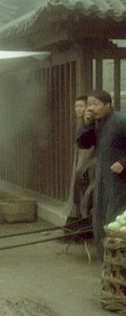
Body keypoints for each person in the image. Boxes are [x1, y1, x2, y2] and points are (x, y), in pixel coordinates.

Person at [77, 89, 126, 259]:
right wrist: (86, 124)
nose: (91, 108)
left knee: (116, 216)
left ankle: (116, 256)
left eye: (96, 104)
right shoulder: (96, 124)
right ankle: (103, 255)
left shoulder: (120, 121)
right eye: (89, 104)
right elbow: (83, 143)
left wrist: (123, 163)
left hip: (121, 180)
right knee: (100, 214)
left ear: (108, 105)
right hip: (103, 176)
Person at [65, 95, 95, 239]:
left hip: (88, 168)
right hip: (80, 166)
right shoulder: (82, 124)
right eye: (76, 106)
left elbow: (87, 153)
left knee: (85, 198)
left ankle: (84, 230)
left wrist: (80, 171)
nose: (78, 109)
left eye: (81, 106)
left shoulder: (91, 126)